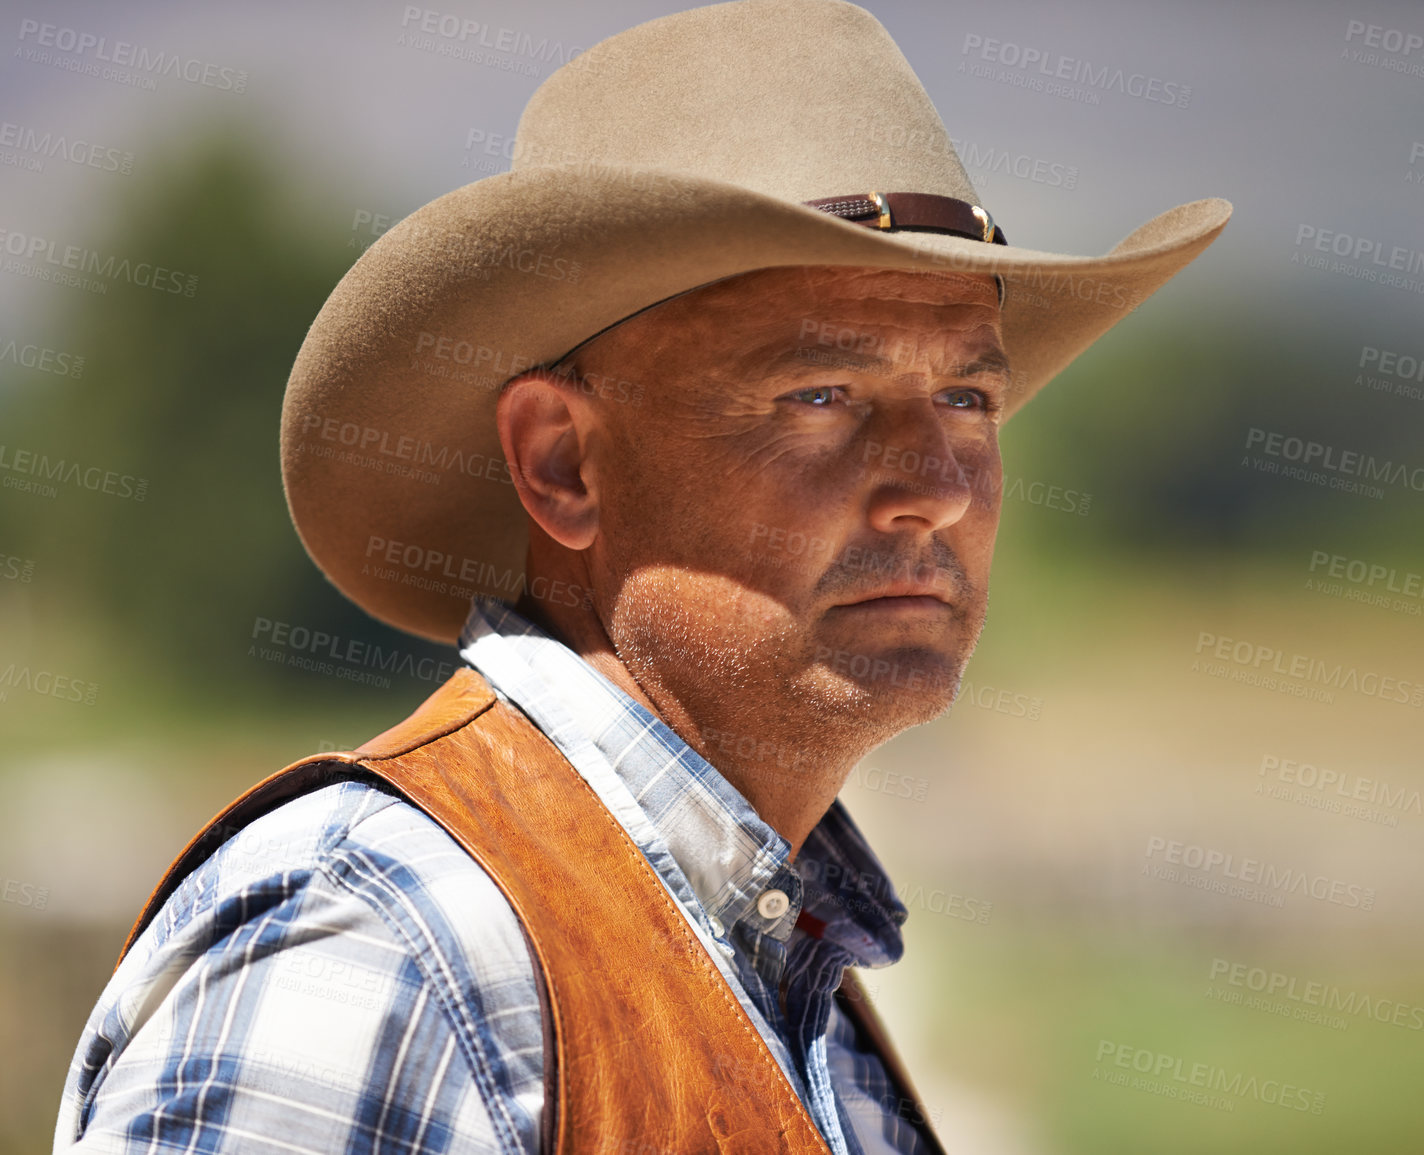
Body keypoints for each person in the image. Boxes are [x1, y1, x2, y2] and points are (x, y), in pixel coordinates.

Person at [53, 1, 1229, 1151]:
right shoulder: (384, 941)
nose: (941, 485)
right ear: (564, 464)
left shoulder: (766, 959)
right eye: (821, 395)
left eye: (967, 397)